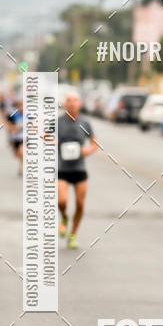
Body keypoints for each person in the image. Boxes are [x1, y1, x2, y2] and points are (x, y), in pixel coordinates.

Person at [57, 92, 98, 249]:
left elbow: (94, 143)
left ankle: (72, 235)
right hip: (62, 168)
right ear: (64, 104)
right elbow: (45, 136)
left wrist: (87, 151)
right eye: (68, 100)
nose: (72, 103)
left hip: (79, 169)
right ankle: (64, 217)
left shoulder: (85, 123)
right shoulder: (58, 122)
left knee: (80, 204)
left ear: (80, 104)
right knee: (62, 201)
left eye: (75, 100)